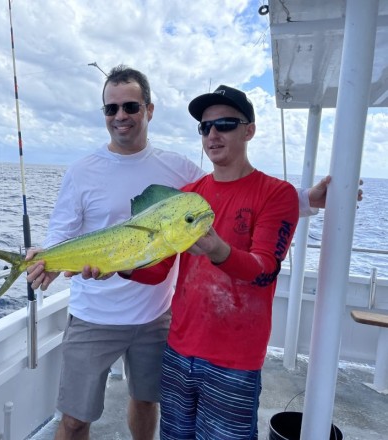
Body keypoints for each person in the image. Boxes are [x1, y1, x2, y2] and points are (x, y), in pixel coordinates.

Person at [26, 67, 327, 440]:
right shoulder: (88, 171)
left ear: (148, 110)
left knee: (147, 404)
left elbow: (245, 197)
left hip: (157, 319)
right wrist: (58, 259)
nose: (121, 116)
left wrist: (308, 199)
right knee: (74, 420)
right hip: (100, 316)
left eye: (131, 106)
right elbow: (63, 231)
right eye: (111, 109)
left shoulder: (181, 173)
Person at [124, 85, 299, 439]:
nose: (213, 134)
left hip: (234, 363)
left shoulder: (277, 194)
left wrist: (218, 250)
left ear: (249, 130)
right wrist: (117, 266)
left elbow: (264, 271)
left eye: (225, 124)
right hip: (177, 350)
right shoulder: (188, 196)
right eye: (205, 127)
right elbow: (158, 270)